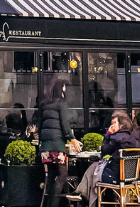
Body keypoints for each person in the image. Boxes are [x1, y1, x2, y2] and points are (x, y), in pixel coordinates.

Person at [36, 78, 80, 207]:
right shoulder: (61, 103)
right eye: (64, 87)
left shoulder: (44, 104)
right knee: (62, 175)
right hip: (57, 146)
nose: (65, 89)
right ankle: (54, 204)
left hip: (45, 147)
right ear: (60, 88)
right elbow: (65, 125)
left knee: (51, 177)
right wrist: (73, 139)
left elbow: (40, 126)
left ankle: (49, 203)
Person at [99, 110, 140, 186]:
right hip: (133, 176)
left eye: (114, 123)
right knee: (93, 171)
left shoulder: (117, 138)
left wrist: (108, 134)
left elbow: (104, 150)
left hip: (115, 176)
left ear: (121, 124)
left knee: (93, 171)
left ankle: (88, 196)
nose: (111, 127)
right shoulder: (135, 135)